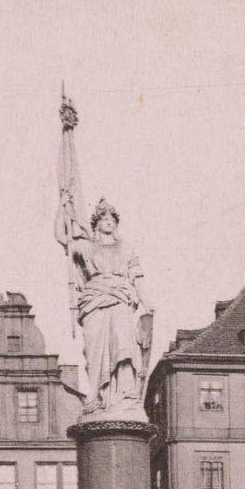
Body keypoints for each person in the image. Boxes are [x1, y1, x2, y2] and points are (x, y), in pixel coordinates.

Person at [54, 99, 154, 419]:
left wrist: (147, 303)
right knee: (96, 350)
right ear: (96, 223)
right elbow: (61, 235)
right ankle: (98, 395)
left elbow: (136, 279)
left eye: (112, 220)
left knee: (124, 343)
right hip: (95, 301)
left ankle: (125, 394)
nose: (108, 223)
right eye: (103, 220)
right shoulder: (88, 248)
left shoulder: (126, 250)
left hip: (121, 299)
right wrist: (64, 205)